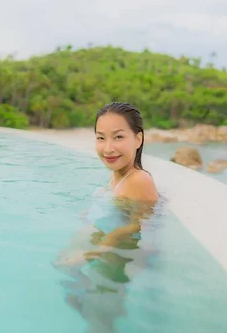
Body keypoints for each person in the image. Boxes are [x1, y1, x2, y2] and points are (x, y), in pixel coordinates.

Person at [53, 102, 162, 333]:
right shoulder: (116, 179)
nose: (108, 148)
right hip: (98, 264)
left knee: (98, 324)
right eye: (101, 138)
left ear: (138, 139)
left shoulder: (138, 180)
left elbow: (132, 228)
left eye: (118, 137)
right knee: (76, 302)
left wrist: (87, 255)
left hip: (111, 270)